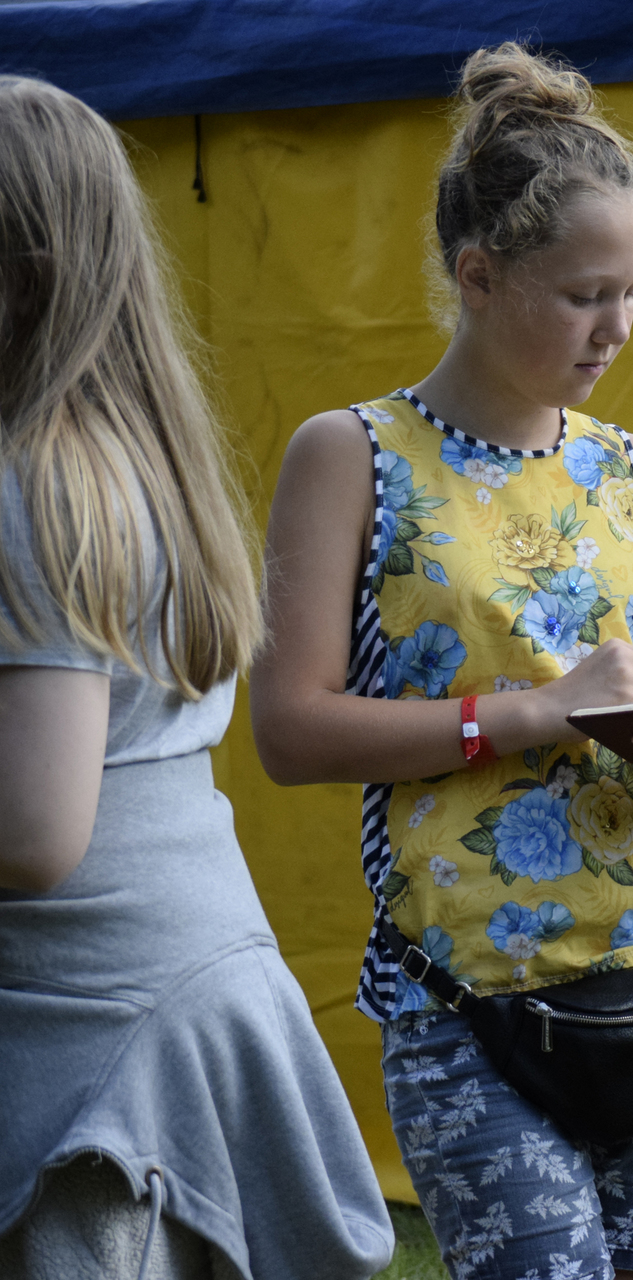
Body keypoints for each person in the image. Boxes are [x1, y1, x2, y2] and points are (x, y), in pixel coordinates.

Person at [250, 44, 633, 1280]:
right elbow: (290, 729)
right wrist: (536, 711)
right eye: (585, 292)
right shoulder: (351, 454)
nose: (618, 326)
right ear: (478, 274)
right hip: (463, 990)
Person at [0, 77, 393, 1279]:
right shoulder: (124, 455)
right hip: (170, 989)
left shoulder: (34, 483)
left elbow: (33, 832)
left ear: (23, 270)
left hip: (98, 1045)